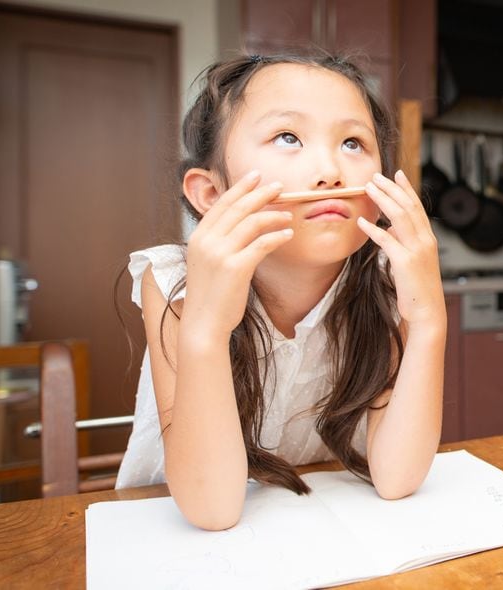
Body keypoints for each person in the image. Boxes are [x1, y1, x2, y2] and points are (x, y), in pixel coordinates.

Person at [114, 52, 445, 531]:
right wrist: (207, 329)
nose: (331, 171)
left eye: (353, 142)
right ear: (210, 194)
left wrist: (428, 319)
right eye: (288, 137)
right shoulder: (172, 281)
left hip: (319, 524)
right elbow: (211, 510)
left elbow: (397, 478)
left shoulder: (384, 280)